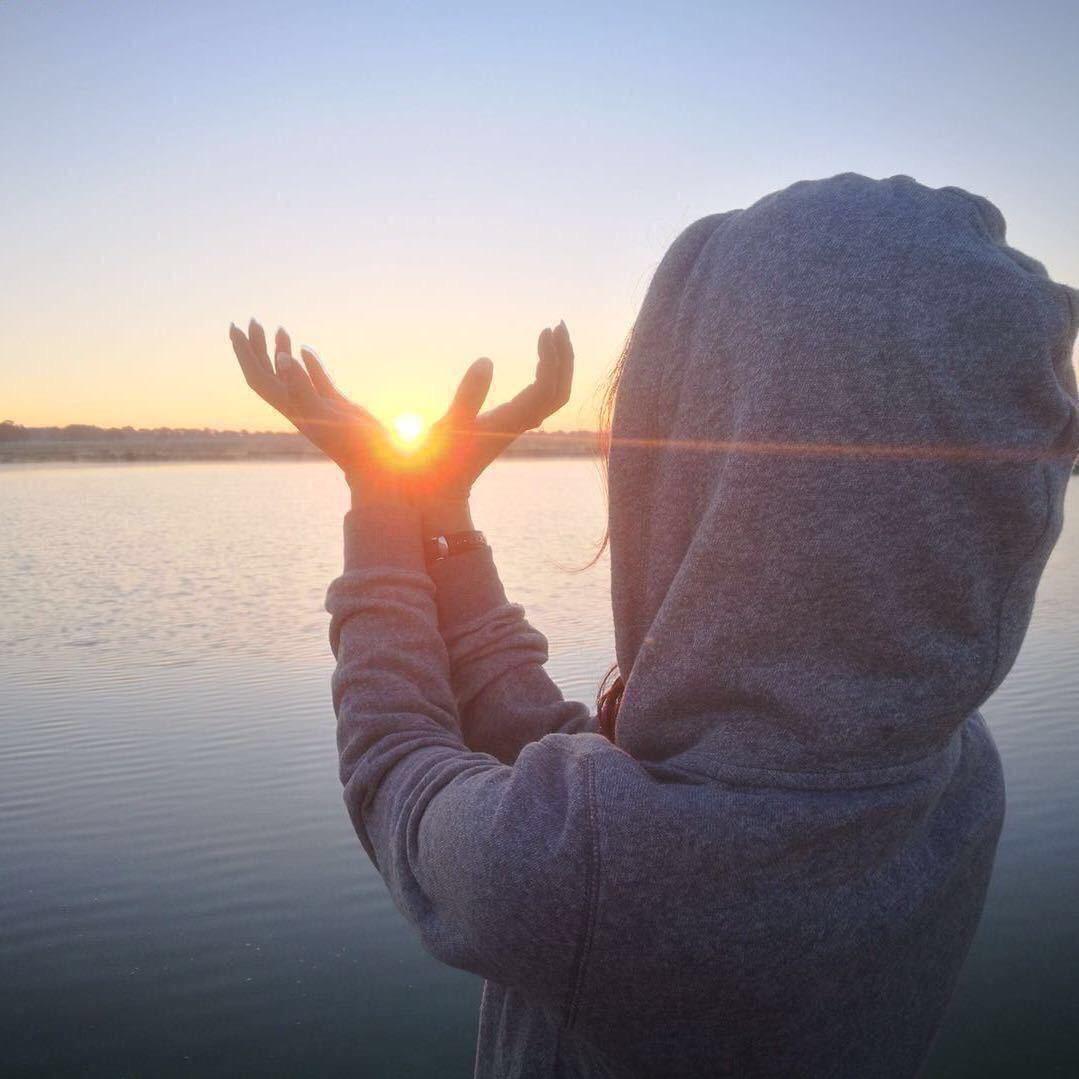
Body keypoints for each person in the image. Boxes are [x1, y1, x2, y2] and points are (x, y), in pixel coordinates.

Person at [229, 172, 1078, 1078]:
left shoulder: (601, 874)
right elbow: (585, 799)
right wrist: (444, 524)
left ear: (717, 471)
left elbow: (395, 765)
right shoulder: (947, 773)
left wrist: (379, 503)